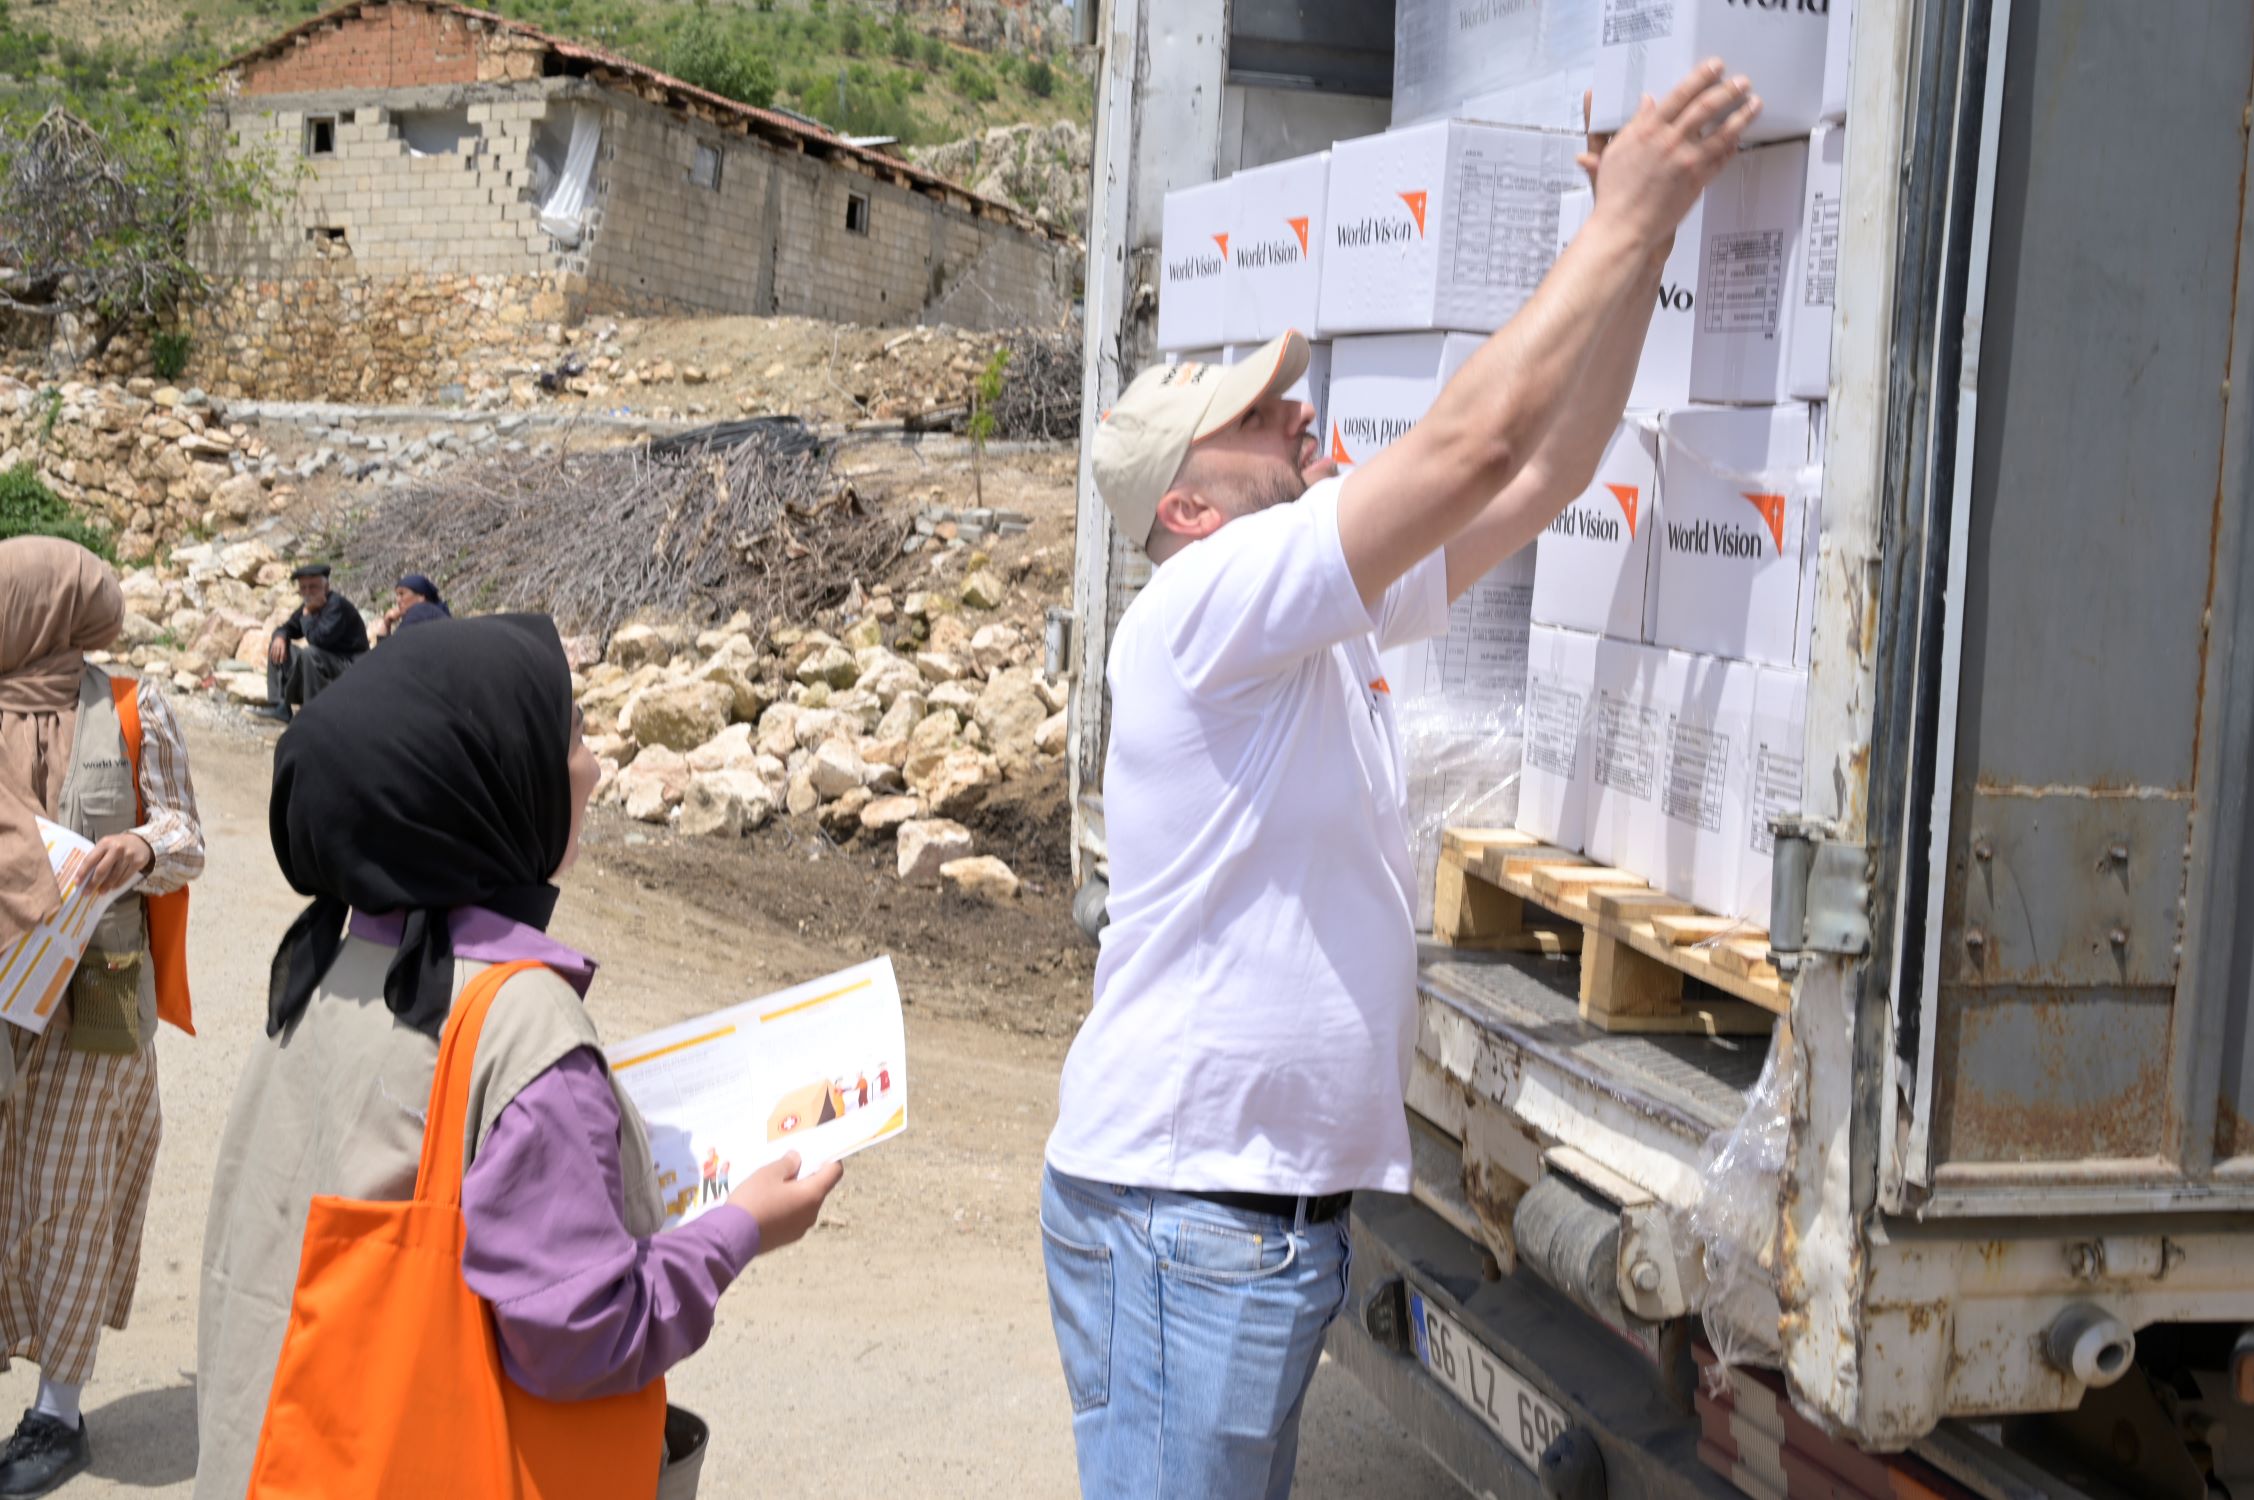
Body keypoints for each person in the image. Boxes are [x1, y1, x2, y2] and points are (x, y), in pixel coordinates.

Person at [1038, 66, 1759, 1499]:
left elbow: (1541, 473)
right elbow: (1468, 442)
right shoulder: (1208, 602)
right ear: (1184, 509)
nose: (1299, 425)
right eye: (1258, 424)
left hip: (1233, 1223)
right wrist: (1612, 220)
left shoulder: (1312, 628)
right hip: (1193, 1222)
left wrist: (1654, 248)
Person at [194, 614, 842, 1500]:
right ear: (490, 781)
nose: (594, 763)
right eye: (568, 734)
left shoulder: (323, 966)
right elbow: (582, 1331)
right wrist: (745, 1230)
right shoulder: (521, 1022)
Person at [0, 537, 204, 1497]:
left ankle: (58, 1412)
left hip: (95, 998)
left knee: (71, 1196)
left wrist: (134, 845)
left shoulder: (132, 708)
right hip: (3, 997)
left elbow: (186, 837)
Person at [257, 563, 366, 722]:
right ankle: (280, 706)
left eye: (313, 587)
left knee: (310, 653)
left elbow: (319, 640)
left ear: (326, 587)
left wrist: (307, 615)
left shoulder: (336, 606)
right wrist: (280, 636)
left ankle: (311, 715)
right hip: (324, 663)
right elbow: (288, 628)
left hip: (349, 666)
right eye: (303, 588)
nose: (307, 592)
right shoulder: (309, 604)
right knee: (279, 644)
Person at [371, 572, 452, 642]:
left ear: (421, 597)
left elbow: (387, 653)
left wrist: (386, 622)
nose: (398, 600)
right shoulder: (433, 613)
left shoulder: (419, 612)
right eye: (397, 595)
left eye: (402, 594)